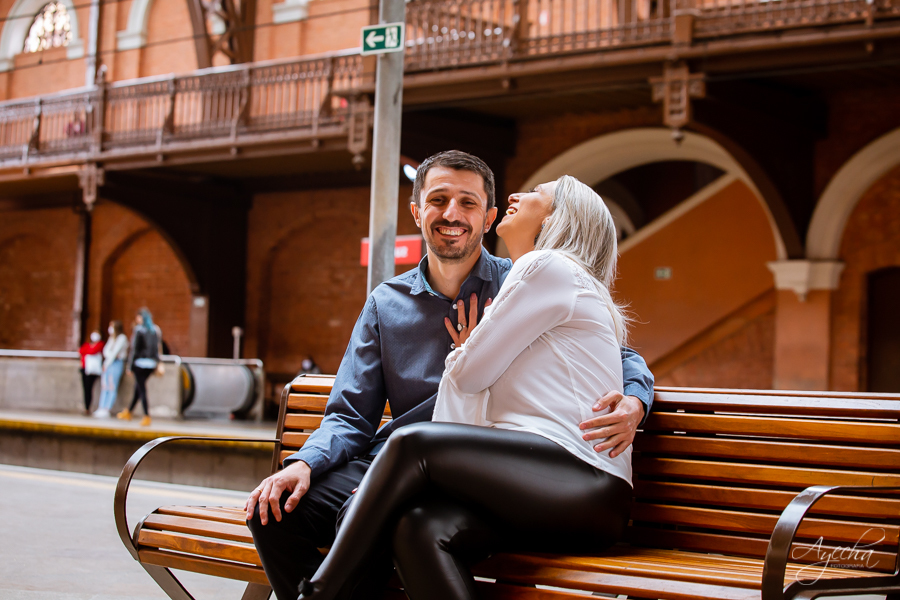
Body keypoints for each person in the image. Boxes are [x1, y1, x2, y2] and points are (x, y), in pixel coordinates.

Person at [245, 151, 654, 600]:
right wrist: (304, 463)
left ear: (488, 216)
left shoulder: (523, 276)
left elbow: (616, 353)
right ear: (418, 212)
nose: (452, 214)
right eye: (438, 200)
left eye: (468, 203)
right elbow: (349, 415)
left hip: (464, 466)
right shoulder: (386, 302)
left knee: (399, 474)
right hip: (412, 465)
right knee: (275, 510)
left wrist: (635, 401)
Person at [117, 308, 160, 427]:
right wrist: (157, 363)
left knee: (141, 389)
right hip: (150, 364)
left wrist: (129, 366)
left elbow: (134, 350)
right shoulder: (154, 330)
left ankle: (147, 415)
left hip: (140, 364)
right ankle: (129, 411)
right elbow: (157, 349)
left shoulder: (139, 330)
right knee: (138, 388)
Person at [94, 320, 128, 418]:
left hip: (116, 363)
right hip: (108, 363)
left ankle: (107, 408)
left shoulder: (122, 338)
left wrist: (110, 357)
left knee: (112, 386)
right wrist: (109, 359)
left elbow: (114, 353)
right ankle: (101, 407)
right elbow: (106, 351)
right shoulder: (112, 338)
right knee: (105, 386)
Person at [78, 331, 104, 415]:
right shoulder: (86, 344)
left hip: (93, 371)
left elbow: (92, 351)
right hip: (85, 369)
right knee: (85, 388)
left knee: (89, 388)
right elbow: (81, 351)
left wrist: (87, 351)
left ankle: (88, 407)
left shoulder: (100, 344)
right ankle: (86, 407)